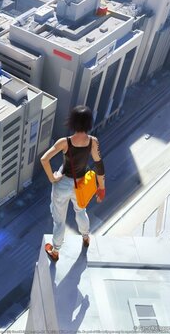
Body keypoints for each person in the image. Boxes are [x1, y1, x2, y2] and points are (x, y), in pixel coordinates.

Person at [39, 105, 105, 262]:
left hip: (63, 184)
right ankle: (86, 237)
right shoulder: (93, 142)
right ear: (89, 122)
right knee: (81, 211)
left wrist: (52, 178)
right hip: (81, 184)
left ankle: (55, 251)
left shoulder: (65, 142)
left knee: (59, 221)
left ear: (72, 122)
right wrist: (101, 187)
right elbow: (99, 165)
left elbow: (44, 159)